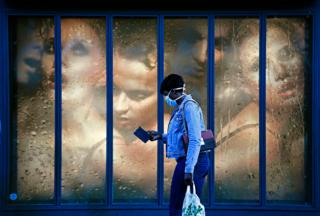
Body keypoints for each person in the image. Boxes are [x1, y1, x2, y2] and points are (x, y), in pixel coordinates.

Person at [214, 18, 310, 201]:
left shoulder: (279, 126)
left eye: (286, 53)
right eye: (260, 66)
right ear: (242, 84)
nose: (281, 72)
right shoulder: (262, 145)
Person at [148, 73, 209, 216]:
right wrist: (160, 136)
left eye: (166, 94)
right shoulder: (181, 108)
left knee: (182, 207)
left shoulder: (189, 107)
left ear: (175, 91)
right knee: (183, 206)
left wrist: (189, 170)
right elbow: (181, 137)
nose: (166, 99)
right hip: (189, 160)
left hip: (194, 161)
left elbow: (194, 140)